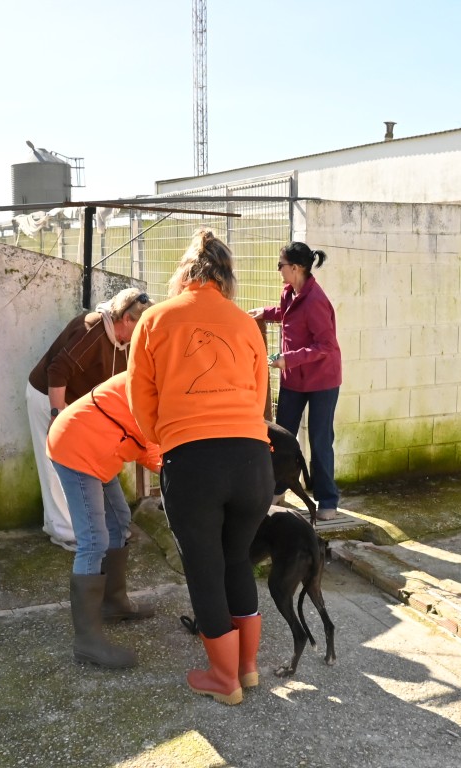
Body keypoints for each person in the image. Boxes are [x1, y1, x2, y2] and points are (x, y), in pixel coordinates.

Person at [128, 228, 274, 706]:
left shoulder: (155, 319)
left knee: (205, 568)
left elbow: (140, 397)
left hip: (193, 460)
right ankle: (247, 668)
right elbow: (260, 395)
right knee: (237, 559)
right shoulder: (245, 324)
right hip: (253, 460)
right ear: (227, 276)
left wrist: (165, 438)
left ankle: (224, 679)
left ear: (184, 272)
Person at [47, 370, 162, 669]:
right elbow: (149, 442)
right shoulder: (149, 381)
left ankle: (114, 603)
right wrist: (174, 470)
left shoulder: (162, 379)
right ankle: (87, 642)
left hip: (100, 449)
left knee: (119, 522)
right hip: (76, 448)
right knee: (94, 541)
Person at [26, 288, 153, 550]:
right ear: (126, 319)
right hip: (49, 397)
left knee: (89, 462)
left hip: (78, 405)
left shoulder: (126, 341)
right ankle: (63, 532)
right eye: (140, 327)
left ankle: (104, 528)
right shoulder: (92, 329)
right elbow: (57, 370)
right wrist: (56, 416)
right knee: (55, 466)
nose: (143, 334)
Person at [248, 242, 342, 519]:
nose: (279, 269)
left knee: (319, 439)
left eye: (281, 265)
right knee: (281, 436)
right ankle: (278, 489)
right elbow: (288, 315)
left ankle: (327, 500)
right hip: (294, 379)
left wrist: (289, 359)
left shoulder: (316, 300)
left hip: (322, 380)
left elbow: (326, 345)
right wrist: (266, 312)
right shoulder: (289, 292)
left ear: (297, 268)